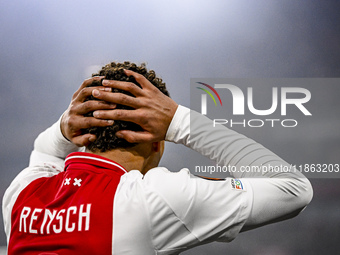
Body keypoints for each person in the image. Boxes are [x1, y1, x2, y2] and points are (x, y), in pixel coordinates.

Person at [2, 62, 313, 255]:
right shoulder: (150, 199)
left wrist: (62, 127)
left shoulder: (22, 192)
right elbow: (293, 189)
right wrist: (179, 121)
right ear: (156, 143)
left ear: (83, 129)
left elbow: (45, 150)